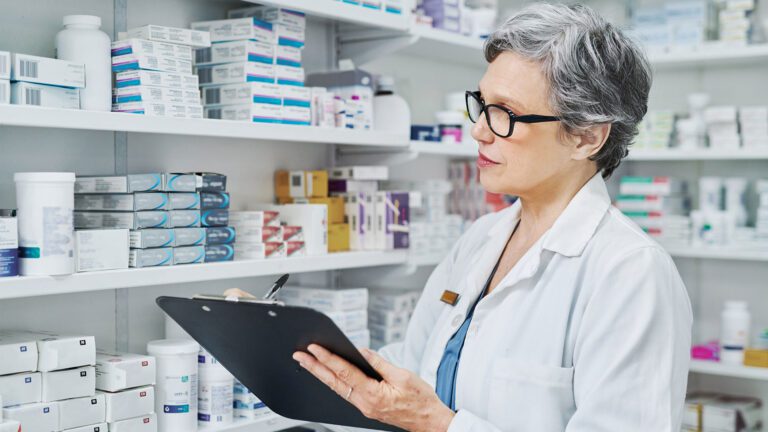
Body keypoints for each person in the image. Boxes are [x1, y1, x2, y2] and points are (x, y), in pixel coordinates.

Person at [236, 3, 692, 431]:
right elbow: (411, 367)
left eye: (506, 114)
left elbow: (429, 415)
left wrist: (440, 425)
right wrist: (290, 348)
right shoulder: (482, 238)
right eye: (482, 104)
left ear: (586, 137)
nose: (478, 130)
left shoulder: (630, 272)